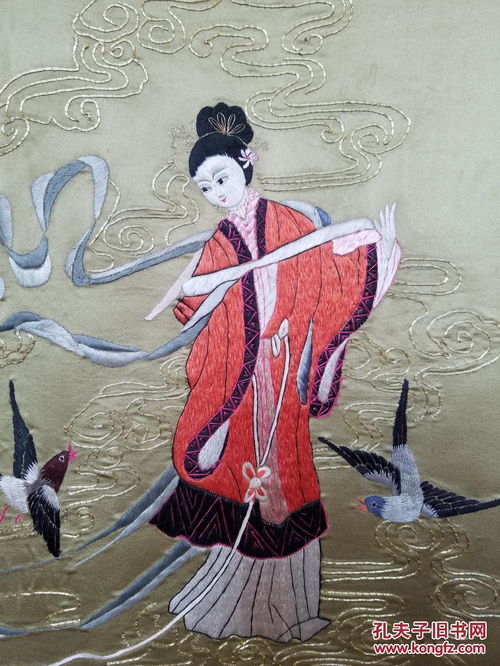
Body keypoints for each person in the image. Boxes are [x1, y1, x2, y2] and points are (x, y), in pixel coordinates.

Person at [150, 102, 400, 642]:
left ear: (248, 161)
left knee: (288, 469)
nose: (216, 192)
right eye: (204, 187)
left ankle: (290, 604)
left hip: (285, 369)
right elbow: (193, 307)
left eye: (221, 178)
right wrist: (206, 289)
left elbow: (328, 275)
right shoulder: (220, 242)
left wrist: (370, 250)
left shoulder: (291, 223)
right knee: (246, 474)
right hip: (239, 376)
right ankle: (233, 598)